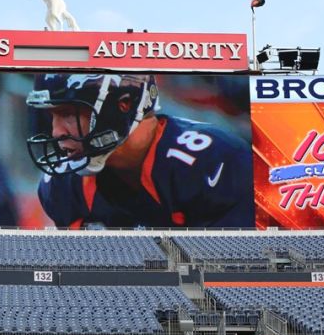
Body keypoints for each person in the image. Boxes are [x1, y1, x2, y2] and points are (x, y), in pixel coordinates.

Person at [26, 73, 254, 228]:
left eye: (67, 114)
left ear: (123, 105)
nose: (56, 132)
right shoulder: (65, 183)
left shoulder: (212, 161)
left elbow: (234, 277)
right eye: (52, 116)